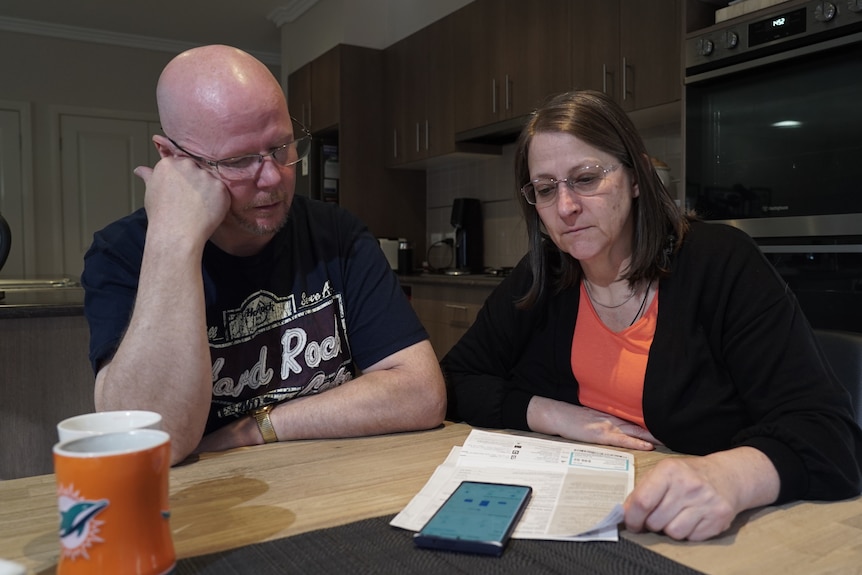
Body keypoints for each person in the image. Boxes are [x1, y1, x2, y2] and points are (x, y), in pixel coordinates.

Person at [441, 90, 862, 541]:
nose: (565, 207)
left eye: (585, 178)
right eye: (546, 189)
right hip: (579, 517)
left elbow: (830, 438)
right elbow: (455, 380)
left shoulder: (719, 262)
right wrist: (558, 416)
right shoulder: (545, 275)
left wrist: (729, 477)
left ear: (636, 177)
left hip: (710, 534)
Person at [81, 45, 446, 465]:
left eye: (281, 148)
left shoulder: (337, 234)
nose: (272, 177)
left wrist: (256, 429)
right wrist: (174, 239)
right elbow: (150, 439)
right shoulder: (123, 253)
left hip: (328, 482)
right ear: (173, 158)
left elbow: (421, 393)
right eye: (238, 161)